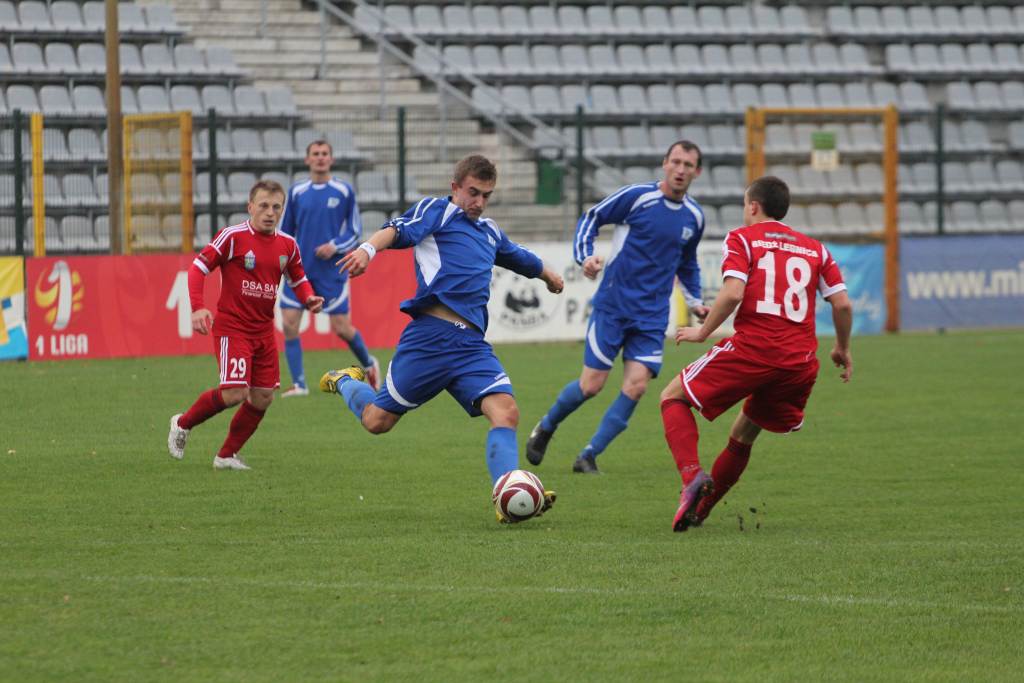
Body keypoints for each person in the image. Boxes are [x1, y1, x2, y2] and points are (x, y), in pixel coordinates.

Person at [320, 154, 565, 522]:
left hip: (470, 347)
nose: (479, 202)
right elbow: (396, 229)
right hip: (430, 340)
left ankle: (506, 492)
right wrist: (368, 250)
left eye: (486, 195)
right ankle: (346, 380)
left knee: (506, 413)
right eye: (473, 192)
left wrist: (549, 275)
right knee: (376, 422)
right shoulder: (437, 211)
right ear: (455, 188)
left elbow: (519, 258)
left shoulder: (490, 231)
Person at [660, 175, 853, 531]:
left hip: (755, 348)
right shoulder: (815, 248)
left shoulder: (742, 238)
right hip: (799, 363)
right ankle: (700, 511)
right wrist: (841, 347)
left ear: (753, 206)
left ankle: (691, 478)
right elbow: (841, 304)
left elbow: (733, 293)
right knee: (744, 433)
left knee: (672, 397)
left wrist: (703, 331)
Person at [525, 140, 710, 474]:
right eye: (676, 162)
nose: (681, 170)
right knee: (591, 385)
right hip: (614, 306)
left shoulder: (694, 217)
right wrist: (585, 257)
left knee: (637, 386)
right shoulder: (638, 197)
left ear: (697, 172)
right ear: (664, 163)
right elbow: (592, 217)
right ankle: (546, 427)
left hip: (652, 316)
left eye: (688, 165)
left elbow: (687, 263)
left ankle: (589, 455)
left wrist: (697, 303)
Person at [167, 180, 324, 470]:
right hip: (233, 327)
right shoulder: (233, 237)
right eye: (263, 205)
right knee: (235, 393)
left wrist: (309, 297)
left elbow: (298, 277)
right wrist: (198, 307)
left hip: (263, 331)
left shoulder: (287, 244)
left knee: (263, 397)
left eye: (276, 207)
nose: (270, 212)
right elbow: (198, 268)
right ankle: (182, 422)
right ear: (250, 206)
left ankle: (226, 455)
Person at [278, 139, 380, 397]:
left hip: (331, 271)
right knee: (290, 324)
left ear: (331, 160)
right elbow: (286, 231)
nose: (320, 158)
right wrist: (281, 260)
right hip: (299, 270)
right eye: (316, 154)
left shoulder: (343, 191)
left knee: (342, 328)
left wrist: (334, 246)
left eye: (325, 154)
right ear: (307, 160)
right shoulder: (297, 192)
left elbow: (355, 231)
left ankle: (369, 363)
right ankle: (300, 384)